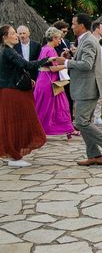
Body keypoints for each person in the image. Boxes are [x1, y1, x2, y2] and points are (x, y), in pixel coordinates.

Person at [52, 13, 102, 166]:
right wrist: (71, 55)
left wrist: (66, 62)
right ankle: (95, 155)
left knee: (81, 122)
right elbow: (84, 60)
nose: (71, 26)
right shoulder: (85, 40)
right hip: (85, 88)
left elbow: (87, 65)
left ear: (82, 26)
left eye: (73, 23)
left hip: (88, 88)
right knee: (85, 122)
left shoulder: (89, 41)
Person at [1, 25, 54, 167]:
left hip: (12, 91)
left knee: (15, 122)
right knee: (17, 122)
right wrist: (46, 60)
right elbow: (26, 65)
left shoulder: (8, 51)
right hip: (13, 92)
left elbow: (16, 69)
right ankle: (14, 156)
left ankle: (14, 153)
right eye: (13, 33)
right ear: (5, 37)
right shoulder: (8, 52)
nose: (16, 35)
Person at [33, 27, 77, 139]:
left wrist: (62, 59)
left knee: (44, 107)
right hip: (50, 83)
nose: (60, 41)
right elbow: (53, 68)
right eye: (58, 39)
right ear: (54, 38)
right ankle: (67, 129)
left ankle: (65, 129)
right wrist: (68, 64)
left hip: (43, 81)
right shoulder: (51, 50)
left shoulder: (44, 49)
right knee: (61, 106)